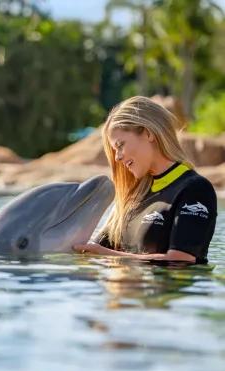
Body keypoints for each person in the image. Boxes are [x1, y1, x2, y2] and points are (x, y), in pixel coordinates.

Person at [73, 96, 217, 264]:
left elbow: (180, 261)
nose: (117, 157)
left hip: (169, 290)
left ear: (148, 133)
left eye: (120, 145)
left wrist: (107, 255)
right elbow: (91, 250)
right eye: (114, 150)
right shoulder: (132, 196)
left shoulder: (195, 189)